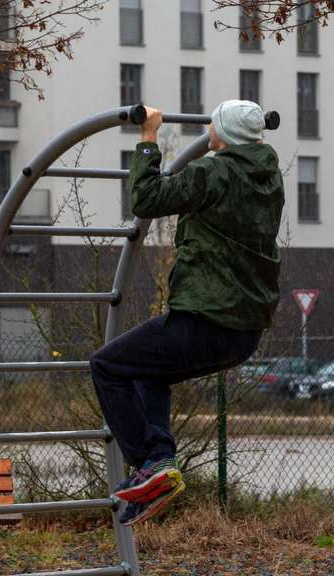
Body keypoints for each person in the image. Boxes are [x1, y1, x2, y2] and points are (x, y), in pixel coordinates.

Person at [91, 100, 284, 526]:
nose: (209, 130)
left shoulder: (213, 172)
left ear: (225, 135)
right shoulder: (270, 180)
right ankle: (159, 459)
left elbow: (147, 198)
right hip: (244, 332)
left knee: (106, 365)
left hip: (205, 320)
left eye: (215, 123)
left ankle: (149, 461)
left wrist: (147, 140)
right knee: (148, 370)